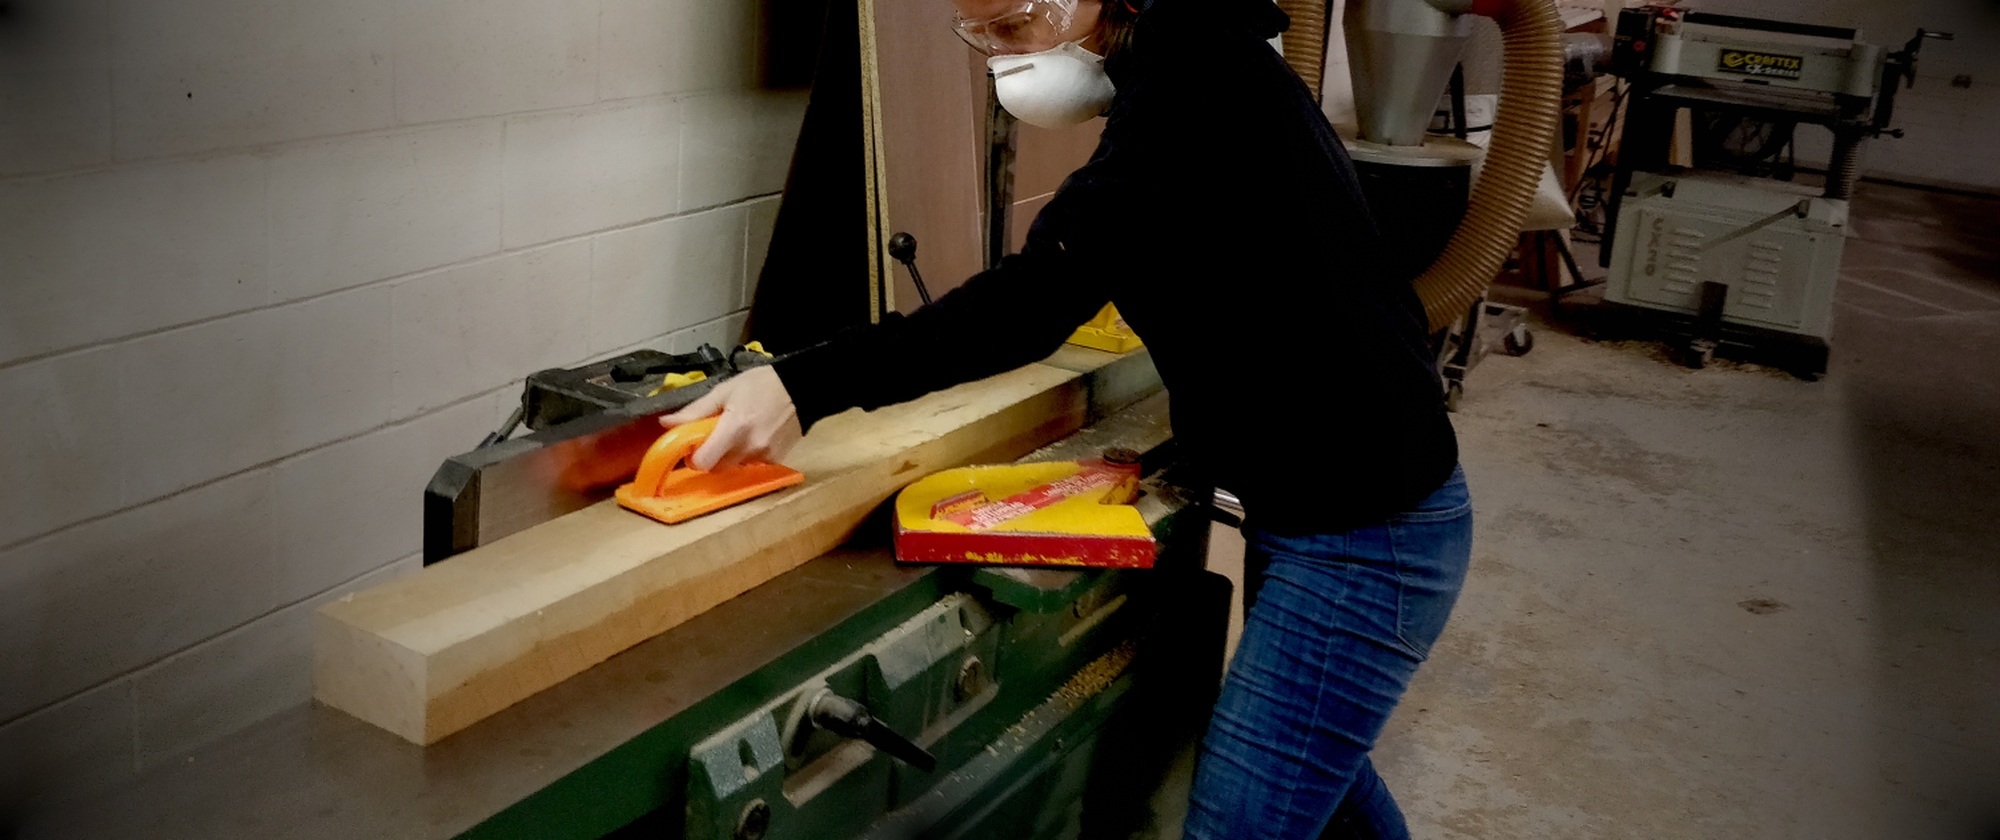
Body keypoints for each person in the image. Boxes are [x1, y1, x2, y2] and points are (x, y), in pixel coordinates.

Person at [661, 0, 1473, 836]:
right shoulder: (1198, 57)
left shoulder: (1195, 87)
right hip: (1336, 506)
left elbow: (1031, 303)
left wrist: (800, 387)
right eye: (984, 39)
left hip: (1365, 533)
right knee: (1323, 785)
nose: (1002, 63)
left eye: (1014, 29)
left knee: (1242, 819)